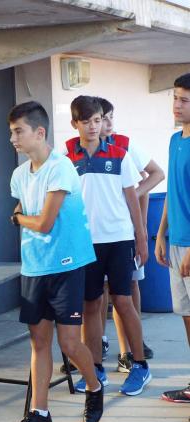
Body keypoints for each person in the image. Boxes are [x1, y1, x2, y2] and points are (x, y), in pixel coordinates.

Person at [6, 101, 103, 422]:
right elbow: (25, 206)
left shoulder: (60, 168)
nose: (13, 139)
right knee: (38, 342)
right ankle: (40, 412)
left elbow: (44, 223)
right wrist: (22, 215)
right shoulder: (19, 175)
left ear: (40, 132)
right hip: (34, 266)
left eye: (19, 132)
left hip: (66, 265)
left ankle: (93, 388)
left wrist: (18, 219)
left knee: (70, 344)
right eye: (11, 132)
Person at [64, 95, 150, 396]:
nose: (93, 126)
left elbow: (133, 199)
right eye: (86, 121)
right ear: (75, 123)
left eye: (97, 120)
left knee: (123, 302)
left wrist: (142, 239)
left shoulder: (119, 155)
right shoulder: (66, 158)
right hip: (86, 244)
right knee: (91, 305)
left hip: (119, 239)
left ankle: (139, 365)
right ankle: (96, 368)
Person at [97, 97, 164, 371]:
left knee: (127, 288)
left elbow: (155, 175)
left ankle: (131, 350)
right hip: (98, 235)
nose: (109, 123)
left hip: (125, 232)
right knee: (96, 293)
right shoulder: (80, 152)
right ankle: (97, 345)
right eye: (103, 118)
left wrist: (132, 200)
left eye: (111, 117)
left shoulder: (125, 145)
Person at [156, 73, 190, 410]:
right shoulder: (174, 140)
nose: (177, 106)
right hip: (176, 240)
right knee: (186, 315)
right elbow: (171, 195)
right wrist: (161, 234)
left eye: (184, 100)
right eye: (175, 98)